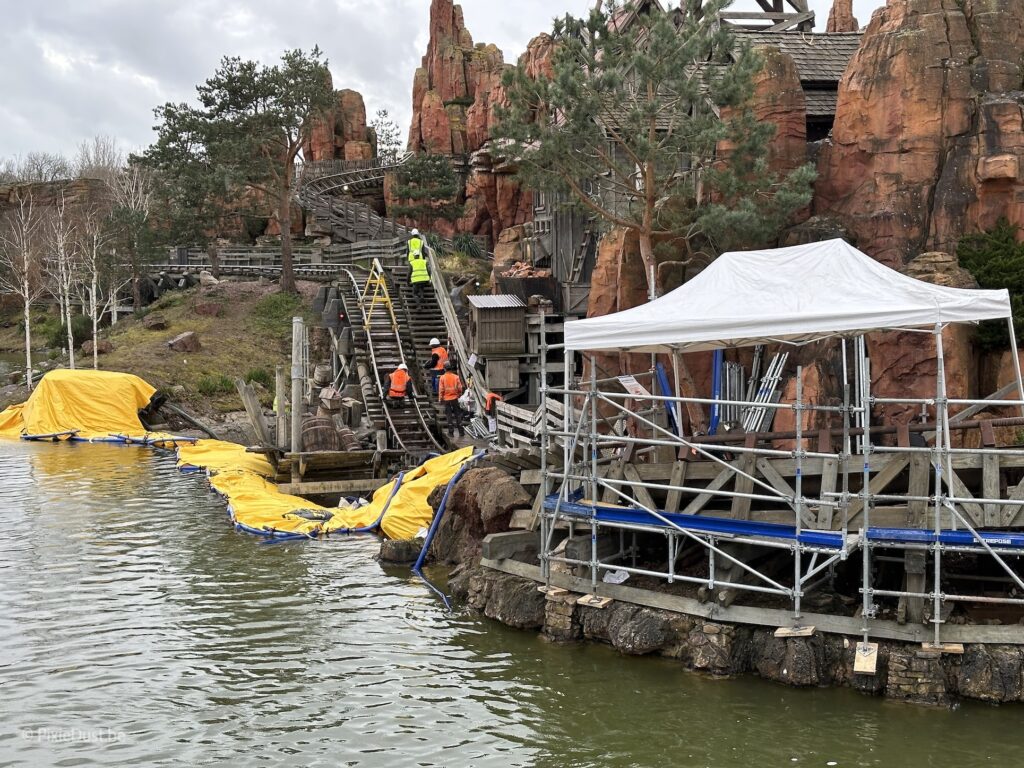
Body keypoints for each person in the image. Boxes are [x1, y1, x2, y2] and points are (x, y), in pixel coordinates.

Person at [438, 361, 465, 438]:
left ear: (444, 368)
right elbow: (460, 388)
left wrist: (440, 398)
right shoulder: (456, 377)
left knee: (449, 415)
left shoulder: (442, 377)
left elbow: (441, 389)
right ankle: (461, 432)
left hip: (446, 399)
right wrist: (459, 395)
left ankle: (451, 432)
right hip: (454, 398)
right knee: (457, 414)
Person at [407, 228, 430, 305]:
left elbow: (408, 251)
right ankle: (422, 294)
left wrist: (408, 258)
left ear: (412, 234)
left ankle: (413, 282)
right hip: (419, 258)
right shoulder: (421, 242)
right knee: (419, 271)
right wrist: (423, 259)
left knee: (412, 270)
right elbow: (423, 251)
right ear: (418, 234)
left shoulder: (409, 242)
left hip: (411, 258)